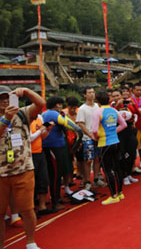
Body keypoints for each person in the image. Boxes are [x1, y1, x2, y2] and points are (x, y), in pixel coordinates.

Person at [0, 86, 45, 249]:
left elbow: (40, 104)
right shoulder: (7, 115)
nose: (5, 100)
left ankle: (31, 242)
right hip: (1, 173)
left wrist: (26, 91)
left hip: (23, 169)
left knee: (27, 209)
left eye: (8, 97)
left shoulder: (22, 112)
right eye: (2, 98)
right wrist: (5, 118)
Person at [42, 96, 83, 211]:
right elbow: (71, 126)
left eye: (60, 104)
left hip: (55, 147)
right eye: (58, 104)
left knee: (56, 174)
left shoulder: (48, 114)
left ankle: (57, 198)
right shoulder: (53, 114)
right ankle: (55, 201)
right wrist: (77, 132)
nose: (60, 106)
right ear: (54, 105)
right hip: (53, 147)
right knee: (55, 175)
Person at [92, 91, 127, 205]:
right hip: (115, 141)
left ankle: (113, 195)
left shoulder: (98, 112)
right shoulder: (114, 110)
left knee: (107, 170)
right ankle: (120, 192)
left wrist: (97, 137)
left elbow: (94, 130)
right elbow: (124, 125)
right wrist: (113, 132)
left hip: (104, 143)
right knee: (117, 168)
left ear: (97, 101)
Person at [76, 87, 105, 190]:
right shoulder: (82, 108)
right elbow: (80, 124)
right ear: (85, 95)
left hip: (98, 136)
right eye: (89, 92)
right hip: (87, 137)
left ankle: (96, 179)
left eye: (93, 92)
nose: (92, 94)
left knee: (97, 158)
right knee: (88, 160)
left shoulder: (98, 106)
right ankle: (87, 180)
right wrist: (90, 134)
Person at [110, 88, 138, 185]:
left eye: (118, 95)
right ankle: (123, 176)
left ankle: (129, 172)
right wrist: (117, 106)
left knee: (132, 151)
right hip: (118, 132)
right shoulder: (111, 106)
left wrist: (133, 105)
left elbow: (135, 113)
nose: (116, 97)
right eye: (114, 96)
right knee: (121, 154)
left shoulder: (128, 104)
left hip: (129, 130)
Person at [129, 83, 141, 171]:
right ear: (133, 90)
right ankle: (138, 161)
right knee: (137, 146)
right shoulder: (130, 100)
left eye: (140, 90)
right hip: (135, 126)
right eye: (137, 90)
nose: (139, 92)